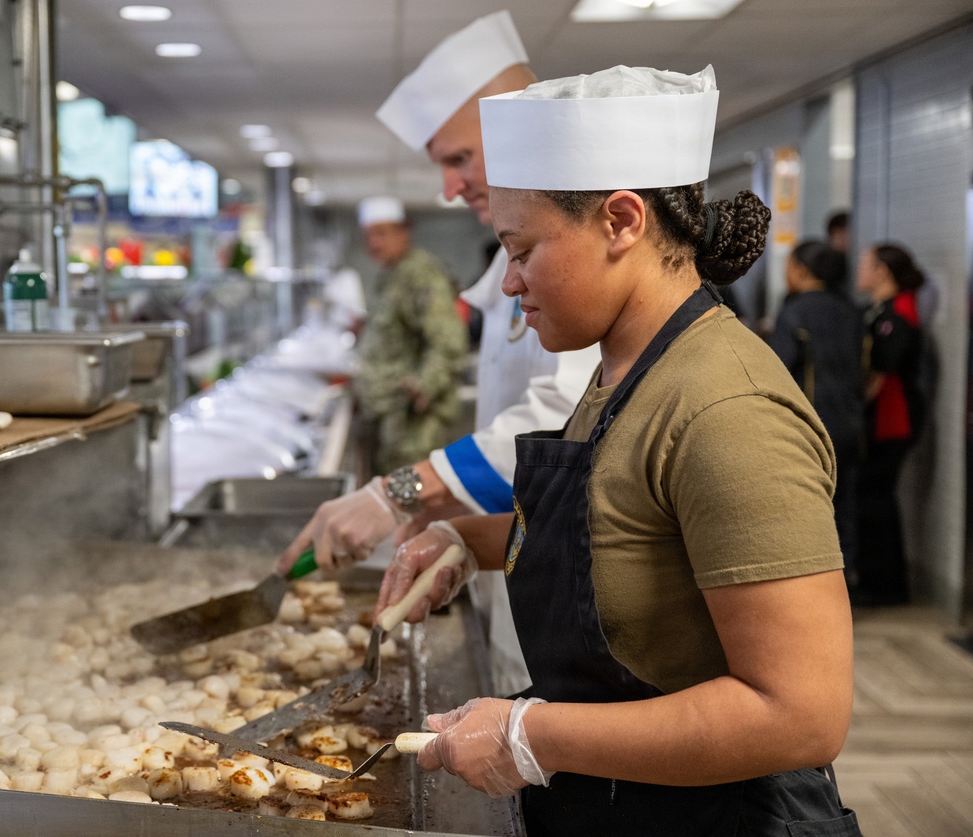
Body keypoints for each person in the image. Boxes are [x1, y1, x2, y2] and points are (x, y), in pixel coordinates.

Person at [375, 64, 859, 835]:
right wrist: (464, 541)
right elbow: (619, 532)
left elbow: (799, 714)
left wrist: (530, 735)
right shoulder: (624, 367)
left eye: (522, 248)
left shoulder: (725, 408)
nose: (506, 282)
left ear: (621, 221)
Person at [279, 11, 599, 695]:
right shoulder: (510, 275)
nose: (451, 189)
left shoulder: (587, 264)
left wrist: (398, 492)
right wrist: (449, 520)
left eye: (460, 158)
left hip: (579, 604)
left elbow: (565, 415)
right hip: (526, 567)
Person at [769, 240, 864, 594]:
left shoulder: (795, 311)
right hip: (851, 424)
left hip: (810, 427)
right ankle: (846, 584)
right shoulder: (852, 310)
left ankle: (811, 591)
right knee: (845, 507)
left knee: (806, 508)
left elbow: (777, 366)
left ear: (802, 270)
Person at [353, 195, 467, 474]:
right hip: (390, 411)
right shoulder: (393, 274)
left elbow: (448, 340)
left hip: (413, 420)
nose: (374, 243)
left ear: (404, 231)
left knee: (412, 499)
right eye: (369, 236)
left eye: (382, 234)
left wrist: (424, 386)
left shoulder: (421, 274)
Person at [854, 242, 928, 606]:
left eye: (866, 263)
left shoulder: (899, 314)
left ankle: (887, 587)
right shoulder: (878, 310)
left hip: (892, 420)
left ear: (883, 271)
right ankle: (877, 580)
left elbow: (883, 372)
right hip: (881, 420)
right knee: (873, 498)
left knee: (876, 498)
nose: (860, 268)